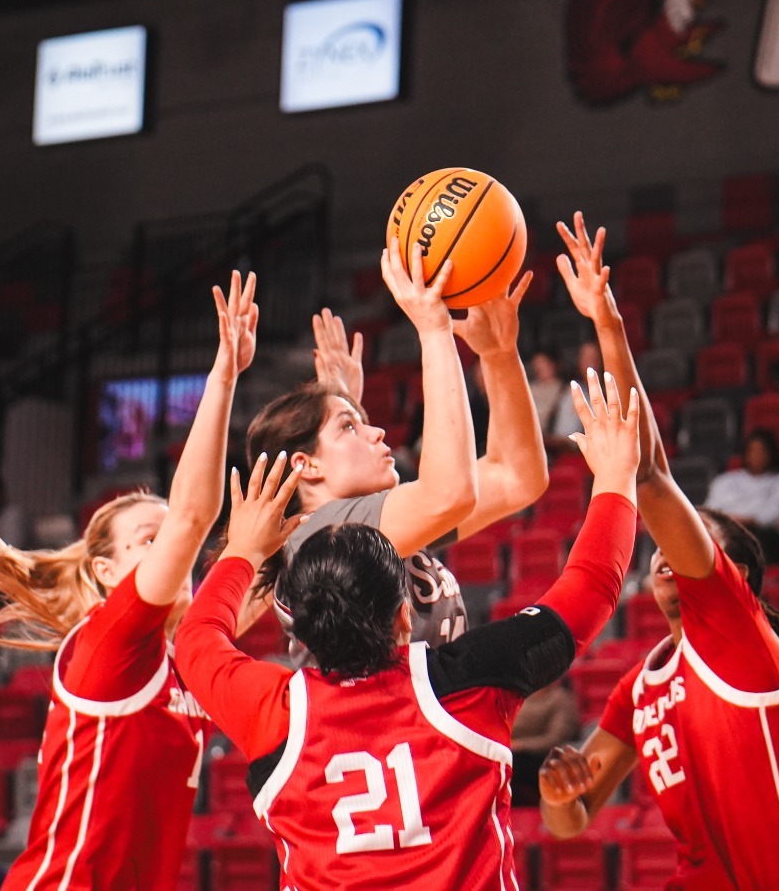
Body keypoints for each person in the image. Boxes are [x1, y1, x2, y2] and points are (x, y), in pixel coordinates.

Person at [174, 369, 642, 890]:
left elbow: (195, 640)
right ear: (403, 615)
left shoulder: (276, 711)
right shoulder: (468, 683)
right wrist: (617, 478)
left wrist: (241, 549)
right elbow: (592, 587)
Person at [535, 213, 779, 889]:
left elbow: (653, 478)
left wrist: (610, 326)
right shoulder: (641, 684)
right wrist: (557, 790)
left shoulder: (738, 632)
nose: (662, 547)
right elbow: (569, 823)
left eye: (687, 533)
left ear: (734, 573)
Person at [0, 271, 261, 890]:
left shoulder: (193, 651)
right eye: (146, 542)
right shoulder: (112, 640)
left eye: (166, 539)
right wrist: (223, 377)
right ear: (106, 573)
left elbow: (272, 576)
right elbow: (193, 516)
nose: (171, 550)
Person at [244, 247, 548, 649]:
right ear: (307, 465)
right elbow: (450, 493)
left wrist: (499, 355)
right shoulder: (317, 538)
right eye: (351, 426)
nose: (378, 433)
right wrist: (434, 331)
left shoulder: (381, 525)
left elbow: (518, 477)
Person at [703, 430, 779, 558]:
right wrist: (731, 520)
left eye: (762, 451)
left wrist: (749, 520)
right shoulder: (725, 480)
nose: (757, 455)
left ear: (771, 453)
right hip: (724, 530)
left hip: (760, 533)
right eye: (753, 451)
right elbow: (710, 509)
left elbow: (776, 512)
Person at [510, 678, 583, 807]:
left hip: (542, 757)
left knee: (512, 766)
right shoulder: (520, 697)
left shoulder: (560, 699)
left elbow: (556, 737)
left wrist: (521, 745)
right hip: (511, 751)